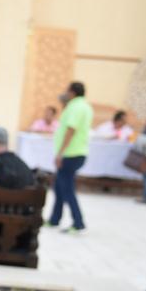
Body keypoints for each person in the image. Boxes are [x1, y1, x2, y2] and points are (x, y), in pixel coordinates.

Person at [47, 81, 92, 233]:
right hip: (76, 152)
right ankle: (55, 219)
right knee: (59, 186)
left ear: (72, 92)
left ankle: (78, 223)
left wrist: (61, 153)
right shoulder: (84, 106)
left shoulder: (75, 107)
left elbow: (70, 130)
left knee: (67, 189)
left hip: (71, 153)